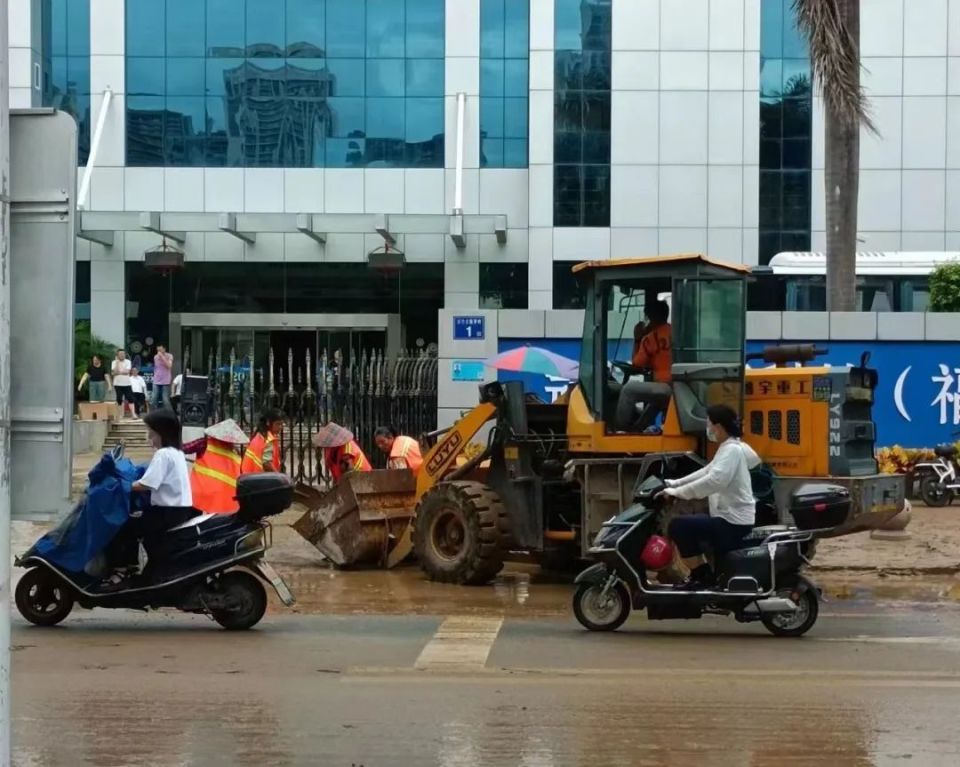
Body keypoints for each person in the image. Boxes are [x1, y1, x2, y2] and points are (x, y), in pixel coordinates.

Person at [659, 404, 761, 590]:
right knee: (688, 524)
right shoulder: (728, 448)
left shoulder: (732, 450)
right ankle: (704, 574)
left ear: (719, 427)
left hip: (733, 523)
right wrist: (674, 484)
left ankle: (701, 576)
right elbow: (707, 471)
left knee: (678, 526)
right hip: (727, 518)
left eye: (709, 424)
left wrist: (678, 493)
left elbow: (715, 481)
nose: (708, 428)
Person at [103, 410, 195, 588]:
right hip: (178, 510)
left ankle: (123, 569)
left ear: (161, 432)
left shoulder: (164, 454)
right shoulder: (176, 452)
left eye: (151, 432)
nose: (149, 436)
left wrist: (120, 487)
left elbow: (147, 484)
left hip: (166, 513)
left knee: (122, 525)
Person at [615, 300, 673, 432]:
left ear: (652, 317)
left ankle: (621, 430)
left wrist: (637, 338)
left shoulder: (650, 338)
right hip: (678, 386)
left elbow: (637, 363)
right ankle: (637, 430)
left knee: (627, 390)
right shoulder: (678, 333)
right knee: (655, 402)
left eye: (647, 317)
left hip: (664, 386)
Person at [186, 419, 248, 514]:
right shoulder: (237, 455)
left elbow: (184, 448)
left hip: (198, 496)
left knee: (193, 524)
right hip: (221, 501)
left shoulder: (204, 444)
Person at [241, 407, 285, 474]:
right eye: (278, 424)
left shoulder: (259, 435)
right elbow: (266, 463)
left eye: (281, 424)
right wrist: (278, 476)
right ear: (268, 422)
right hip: (259, 477)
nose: (280, 427)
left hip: (249, 475)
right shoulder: (268, 439)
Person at [111, 349, 134, 418]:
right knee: (119, 398)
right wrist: (117, 363)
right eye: (120, 354)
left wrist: (118, 372)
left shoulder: (128, 361)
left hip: (127, 383)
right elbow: (114, 372)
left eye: (123, 354)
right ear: (117, 355)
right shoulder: (114, 362)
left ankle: (133, 414)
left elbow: (127, 372)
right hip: (117, 383)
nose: (122, 355)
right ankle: (120, 414)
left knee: (130, 398)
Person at [151, 344, 174, 410]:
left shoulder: (169, 356)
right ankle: (153, 413)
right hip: (156, 380)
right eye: (158, 350)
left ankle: (168, 413)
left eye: (160, 350)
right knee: (154, 398)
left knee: (165, 399)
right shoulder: (155, 357)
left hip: (165, 380)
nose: (159, 351)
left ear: (164, 349)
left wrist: (162, 357)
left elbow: (169, 366)